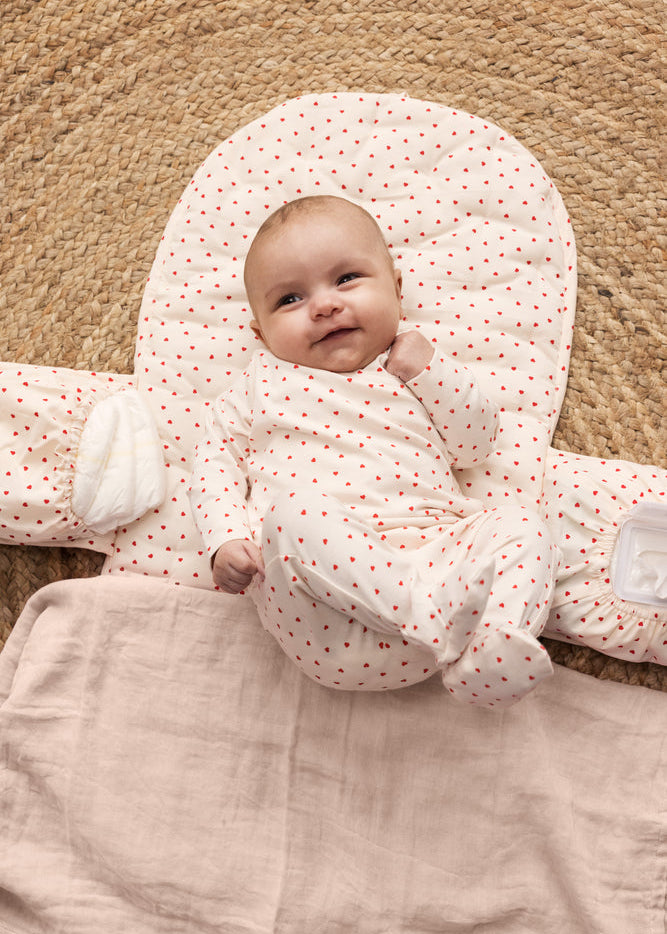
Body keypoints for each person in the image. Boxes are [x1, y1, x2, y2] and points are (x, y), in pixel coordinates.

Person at [189, 195, 558, 706]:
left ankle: (489, 645)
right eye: (289, 300)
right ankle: (437, 617)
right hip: (322, 616)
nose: (323, 305)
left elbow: (476, 445)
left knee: (524, 528)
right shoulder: (259, 384)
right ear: (261, 333)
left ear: (397, 291)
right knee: (294, 513)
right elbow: (213, 463)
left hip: (435, 558)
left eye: (346, 280)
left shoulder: (413, 366)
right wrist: (224, 538)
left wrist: (431, 371)